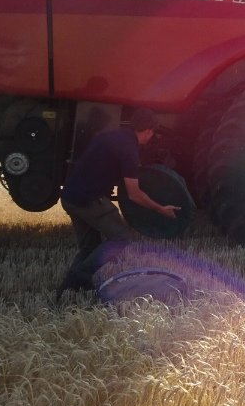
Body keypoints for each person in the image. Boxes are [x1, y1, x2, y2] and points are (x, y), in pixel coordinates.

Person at [55, 108, 179, 302]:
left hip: (70, 197)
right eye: (152, 132)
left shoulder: (112, 137)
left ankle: (70, 291)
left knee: (90, 247)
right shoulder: (129, 150)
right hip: (90, 200)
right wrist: (161, 209)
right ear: (148, 130)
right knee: (121, 237)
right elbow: (134, 194)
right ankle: (78, 279)